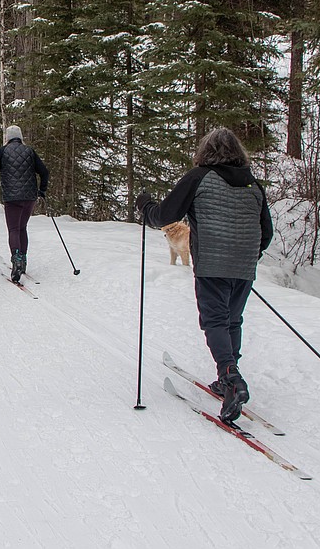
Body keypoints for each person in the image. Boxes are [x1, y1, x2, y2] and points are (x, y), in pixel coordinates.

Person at [136, 127, 273, 424]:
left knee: (214, 320)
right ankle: (227, 377)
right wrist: (249, 256)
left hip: (212, 264)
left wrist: (145, 205)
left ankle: (230, 376)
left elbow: (165, 215)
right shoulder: (253, 184)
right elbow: (267, 232)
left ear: (205, 152)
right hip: (244, 265)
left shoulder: (199, 177)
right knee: (232, 320)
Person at [0, 125, 50, 283]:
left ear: (7, 138)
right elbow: (44, 172)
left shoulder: (2, 151)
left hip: (12, 198)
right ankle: (23, 261)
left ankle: (16, 260)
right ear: (20, 137)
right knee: (22, 228)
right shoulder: (29, 151)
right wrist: (42, 190)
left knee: (13, 229)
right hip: (30, 197)